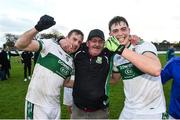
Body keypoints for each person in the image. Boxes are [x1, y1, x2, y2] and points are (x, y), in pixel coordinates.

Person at [15, 15, 84, 119]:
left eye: (79, 42)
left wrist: (87, 83)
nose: (76, 44)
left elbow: (65, 82)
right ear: (66, 38)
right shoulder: (50, 45)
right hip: (37, 103)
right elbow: (20, 44)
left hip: (55, 107)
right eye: (74, 39)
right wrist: (37, 28)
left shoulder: (70, 61)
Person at [108, 16, 166, 119]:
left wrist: (120, 49)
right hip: (128, 110)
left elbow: (156, 69)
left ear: (129, 30)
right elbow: (114, 79)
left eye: (123, 29)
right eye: (115, 31)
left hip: (152, 111)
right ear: (110, 35)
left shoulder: (144, 46)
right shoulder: (116, 56)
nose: (120, 33)